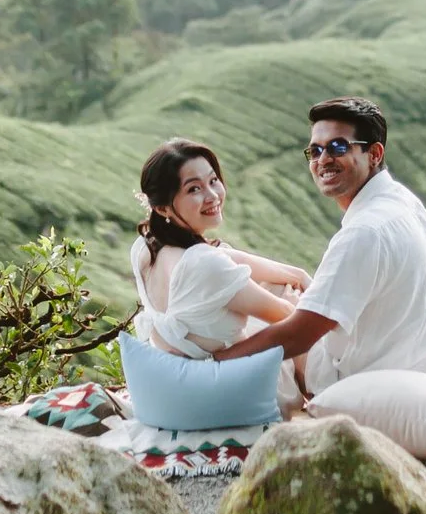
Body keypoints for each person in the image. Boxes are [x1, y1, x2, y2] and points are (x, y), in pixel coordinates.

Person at [211, 96, 426, 396]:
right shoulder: (403, 202)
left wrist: (215, 362)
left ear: (374, 153)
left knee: (257, 312)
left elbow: (299, 336)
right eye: (315, 150)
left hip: (371, 384)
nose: (323, 159)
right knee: (282, 293)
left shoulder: (365, 232)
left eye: (338, 147)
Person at [129, 138, 309, 357]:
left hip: (190, 376)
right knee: (292, 300)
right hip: (234, 382)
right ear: (163, 208)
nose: (213, 196)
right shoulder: (203, 264)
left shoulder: (145, 247)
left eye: (213, 180)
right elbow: (292, 320)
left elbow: (223, 256)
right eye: (194, 189)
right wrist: (290, 302)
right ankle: (310, 385)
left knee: (282, 282)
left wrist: (300, 275)